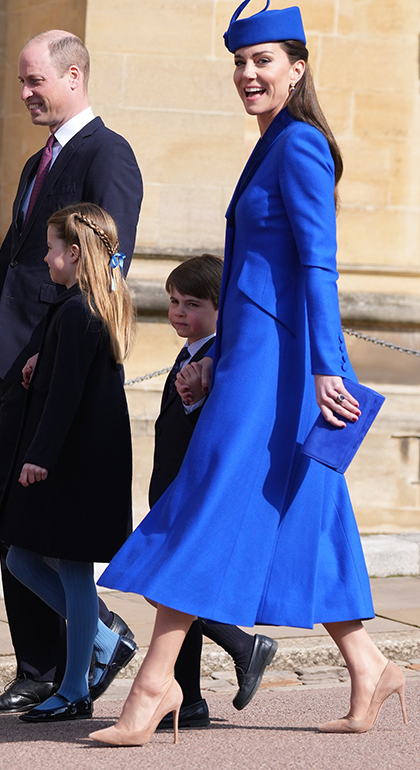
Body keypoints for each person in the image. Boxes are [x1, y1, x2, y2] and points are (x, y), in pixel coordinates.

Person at [89, 0, 408, 747]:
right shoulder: (269, 144)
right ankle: (369, 665)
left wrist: (330, 368)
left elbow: (316, 266)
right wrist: (215, 358)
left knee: (205, 497)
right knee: (309, 510)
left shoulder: (297, 145)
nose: (248, 74)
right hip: (256, 360)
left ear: (297, 69)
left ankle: (157, 682)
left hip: (287, 369)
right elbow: (252, 278)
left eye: (262, 61)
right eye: (239, 62)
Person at [0, 30, 143, 714]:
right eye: (22, 83)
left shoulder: (107, 154)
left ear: (74, 76)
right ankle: (48, 661)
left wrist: (45, 350)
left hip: (56, 369)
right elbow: (10, 266)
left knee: (16, 513)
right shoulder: (37, 164)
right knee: (6, 513)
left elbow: (111, 260)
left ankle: (65, 659)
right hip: (17, 368)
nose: (26, 94)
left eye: (36, 82)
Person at [0, 203, 136, 723]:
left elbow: (68, 396)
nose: (47, 258)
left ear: (74, 254)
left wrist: (39, 458)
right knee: (23, 560)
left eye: (52, 248)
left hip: (77, 461)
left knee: (72, 569)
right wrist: (40, 359)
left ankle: (75, 688)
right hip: (81, 458)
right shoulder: (81, 305)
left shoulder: (80, 311)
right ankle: (101, 640)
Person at [151, 255, 277, 730]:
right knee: (170, 588)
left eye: (193, 303)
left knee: (168, 585)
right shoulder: (190, 354)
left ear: (223, 310)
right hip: (170, 482)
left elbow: (226, 423)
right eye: (173, 302)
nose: (179, 312)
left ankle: (244, 647)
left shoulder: (219, 357)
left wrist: (198, 397)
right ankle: (190, 699)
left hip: (196, 487)